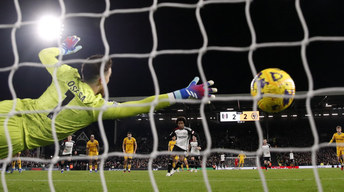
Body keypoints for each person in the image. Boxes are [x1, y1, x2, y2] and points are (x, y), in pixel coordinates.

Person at [0, 35, 217, 159]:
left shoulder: (65, 72)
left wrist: (63, 48)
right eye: (109, 76)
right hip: (15, 134)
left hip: (9, 108)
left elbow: (44, 54)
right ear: (102, 81)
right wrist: (181, 93)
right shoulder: (96, 106)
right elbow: (141, 105)